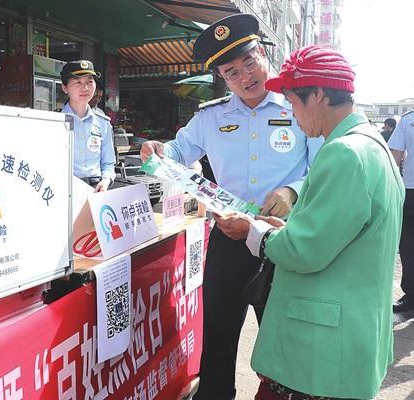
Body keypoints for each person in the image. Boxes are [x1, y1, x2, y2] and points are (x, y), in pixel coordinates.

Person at [140, 14, 321, 400]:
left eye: (249, 62)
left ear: (264, 55)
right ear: (222, 78)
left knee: (282, 336)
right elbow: (177, 151)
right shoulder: (211, 117)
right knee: (219, 333)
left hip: (282, 239)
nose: (245, 76)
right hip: (228, 237)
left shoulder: (297, 106)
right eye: (232, 72)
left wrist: (293, 191)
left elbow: (324, 169)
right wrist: (159, 149)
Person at [220, 45, 404, 400]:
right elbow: (337, 233)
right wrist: (286, 229)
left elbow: (304, 250)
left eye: (293, 102)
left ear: (318, 95)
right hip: (351, 332)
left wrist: (254, 231)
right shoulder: (372, 145)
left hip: (321, 348)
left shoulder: (344, 153)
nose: (293, 113)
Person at [60, 60, 115, 192]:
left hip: (96, 190)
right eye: (78, 82)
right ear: (65, 88)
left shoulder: (103, 123)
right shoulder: (54, 122)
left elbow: (108, 163)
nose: (85, 88)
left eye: (90, 82)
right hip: (65, 190)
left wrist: (106, 180)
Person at [389, 112, 414, 313]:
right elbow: (394, 156)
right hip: (410, 190)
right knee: (407, 246)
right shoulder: (408, 120)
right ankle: (412, 295)